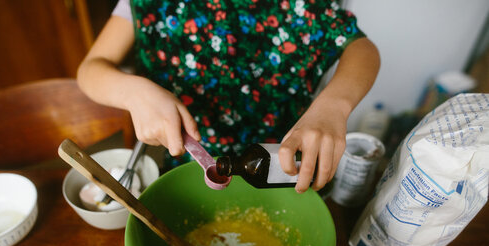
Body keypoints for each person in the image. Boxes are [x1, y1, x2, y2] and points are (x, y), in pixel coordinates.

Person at [77, 0, 380, 193]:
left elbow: (361, 48)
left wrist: (332, 107)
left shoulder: (305, 6)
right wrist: (133, 92)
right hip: (185, 168)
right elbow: (90, 70)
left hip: (278, 168)